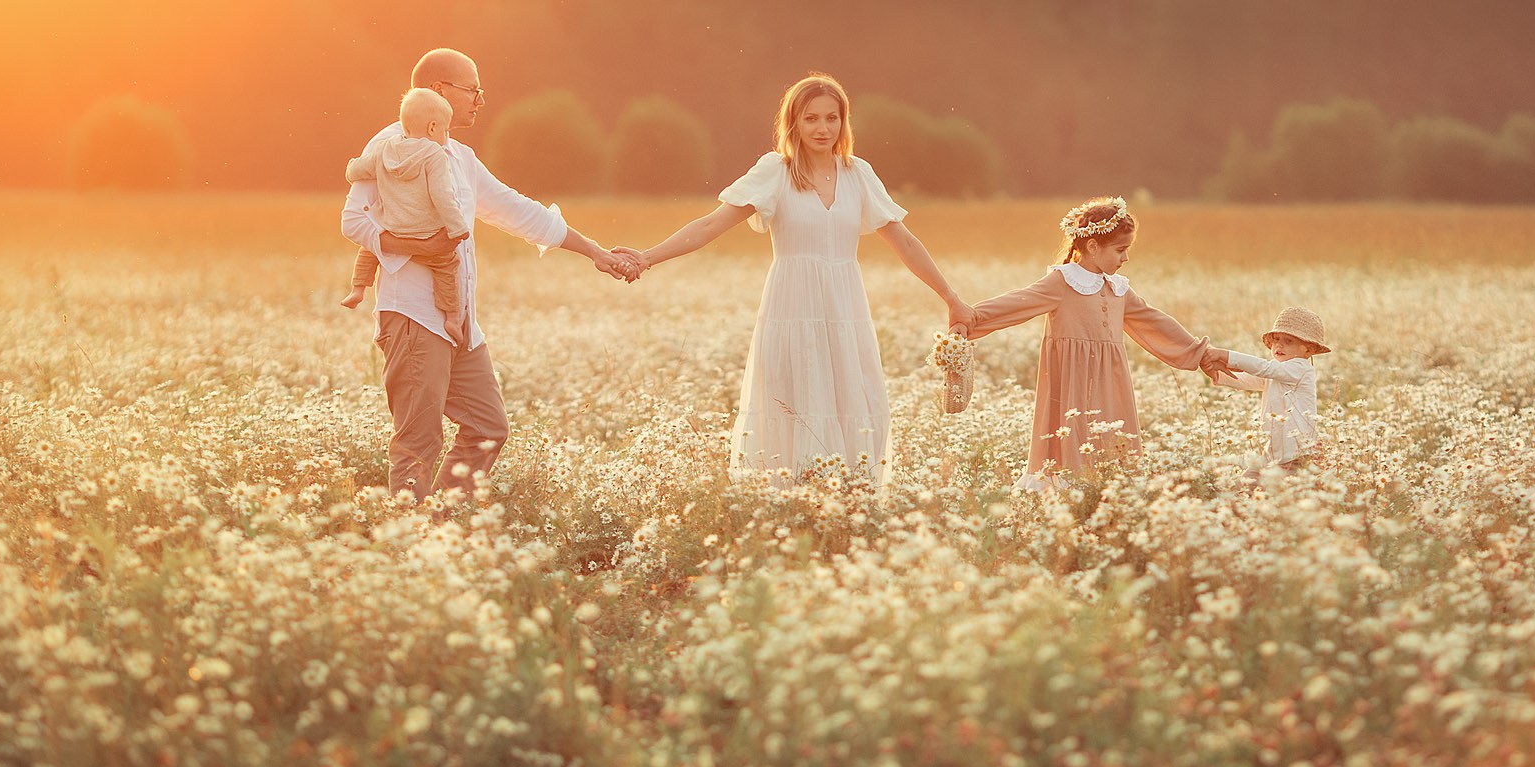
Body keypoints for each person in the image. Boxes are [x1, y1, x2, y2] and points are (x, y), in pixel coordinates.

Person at [629, 73, 968, 485]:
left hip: (845, 314)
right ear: (794, 123)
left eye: (832, 118)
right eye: (811, 119)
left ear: (845, 122)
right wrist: (646, 257)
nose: (823, 129)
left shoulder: (858, 174)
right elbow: (708, 227)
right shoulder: (775, 171)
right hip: (791, 312)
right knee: (795, 411)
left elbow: (907, 244)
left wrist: (951, 298)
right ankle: (789, 518)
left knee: (854, 408)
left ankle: (848, 516)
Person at [340, 48, 641, 509]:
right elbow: (353, 220)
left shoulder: (460, 157)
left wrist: (595, 252)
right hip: (414, 316)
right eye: (472, 90)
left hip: (460, 321)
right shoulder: (388, 146)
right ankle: (407, 550)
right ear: (439, 91)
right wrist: (417, 247)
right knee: (418, 444)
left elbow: (519, 211)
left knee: (487, 427)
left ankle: (437, 524)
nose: (480, 100)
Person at [958, 197, 1228, 482]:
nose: (1126, 258)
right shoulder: (1062, 282)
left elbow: (1155, 321)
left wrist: (1199, 353)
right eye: (1120, 250)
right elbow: (1017, 303)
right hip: (1070, 385)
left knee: (1112, 443)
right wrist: (970, 319)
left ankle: (1109, 499)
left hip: (1111, 387)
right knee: (1072, 443)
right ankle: (1072, 499)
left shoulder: (1118, 288)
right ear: (1092, 247)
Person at [339, 87, 470, 344]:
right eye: (445, 130)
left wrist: (350, 167)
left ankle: (357, 289)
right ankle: (452, 318)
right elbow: (442, 196)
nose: (446, 136)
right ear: (433, 128)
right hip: (426, 232)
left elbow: (358, 171)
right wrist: (457, 227)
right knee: (448, 265)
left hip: (393, 228)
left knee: (370, 249)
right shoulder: (434, 155)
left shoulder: (385, 150)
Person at [1211, 307, 1328, 480]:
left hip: (1294, 454)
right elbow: (1246, 380)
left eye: (1288, 341)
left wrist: (1225, 355)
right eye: (1276, 340)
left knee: (1277, 497)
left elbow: (1264, 368)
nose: (1279, 345)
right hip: (1273, 450)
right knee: (1241, 489)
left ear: (1308, 350)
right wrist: (1214, 372)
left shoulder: (1302, 368)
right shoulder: (1278, 371)